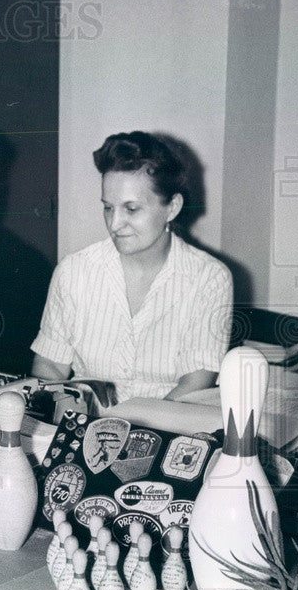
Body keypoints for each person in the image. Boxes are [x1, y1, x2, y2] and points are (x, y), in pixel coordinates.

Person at [30, 131, 232, 402]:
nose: (114, 224)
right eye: (108, 208)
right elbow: (50, 366)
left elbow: (195, 384)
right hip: (81, 428)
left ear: (172, 208)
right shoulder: (73, 271)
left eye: (131, 209)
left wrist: (133, 429)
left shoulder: (209, 279)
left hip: (168, 428)